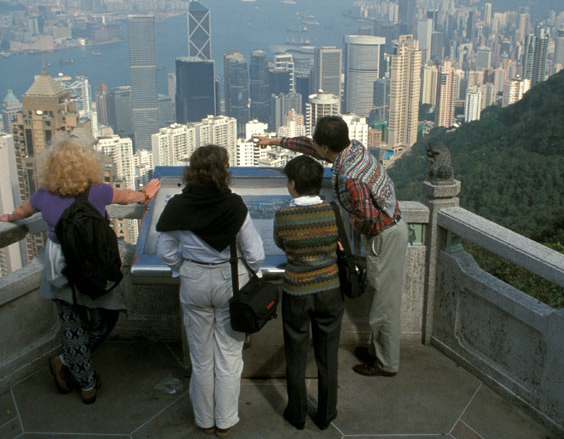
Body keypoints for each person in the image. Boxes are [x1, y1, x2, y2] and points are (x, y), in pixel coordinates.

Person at [0, 136, 160, 404]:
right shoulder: (98, 191)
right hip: (93, 263)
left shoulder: (43, 195)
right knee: (106, 317)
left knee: (71, 322)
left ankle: (83, 382)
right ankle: (72, 369)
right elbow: (127, 197)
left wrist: (9, 218)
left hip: (60, 264)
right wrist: (145, 194)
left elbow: (21, 211)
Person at [256, 115, 409, 377]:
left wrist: (343, 228)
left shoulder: (350, 178)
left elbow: (369, 219)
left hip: (385, 236)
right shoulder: (354, 148)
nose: (313, 146)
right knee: (381, 300)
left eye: (317, 143)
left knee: (384, 305)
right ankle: (377, 351)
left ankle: (386, 364)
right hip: (389, 231)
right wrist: (275, 141)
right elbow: (308, 146)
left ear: (326, 148)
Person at [156, 145, 264, 437]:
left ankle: (204, 420)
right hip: (229, 280)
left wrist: (186, 266)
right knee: (229, 356)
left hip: (193, 281)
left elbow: (164, 251)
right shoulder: (234, 205)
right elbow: (255, 253)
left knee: (201, 358)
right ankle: (225, 421)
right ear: (223, 170)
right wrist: (248, 270)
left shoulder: (177, 205)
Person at [273, 155, 344, 431]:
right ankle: (326, 413)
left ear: (292, 184)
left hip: (297, 290)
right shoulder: (333, 211)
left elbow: (281, 244)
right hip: (329, 289)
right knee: (327, 354)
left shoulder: (283, 215)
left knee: (295, 353)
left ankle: (297, 413)